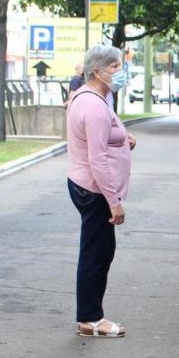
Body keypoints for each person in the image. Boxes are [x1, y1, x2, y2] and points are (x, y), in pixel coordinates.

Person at [66, 45, 137, 338]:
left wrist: (123, 139)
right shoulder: (94, 106)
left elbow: (102, 138)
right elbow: (96, 158)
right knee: (95, 254)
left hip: (89, 186)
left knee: (101, 251)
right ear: (97, 71)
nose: (120, 72)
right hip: (94, 190)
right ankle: (91, 319)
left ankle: (91, 315)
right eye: (115, 67)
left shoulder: (94, 98)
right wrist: (114, 202)